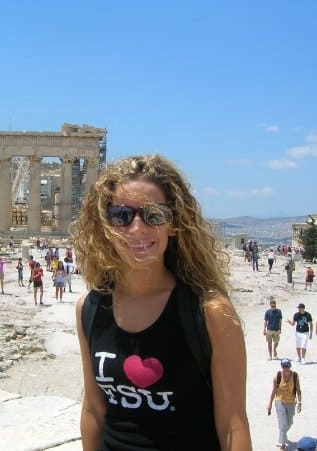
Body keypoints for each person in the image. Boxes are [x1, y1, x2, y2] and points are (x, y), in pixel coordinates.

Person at [73, 155, 251, 450]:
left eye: (154, 214)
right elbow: (94, 410)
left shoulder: (210, 313)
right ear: (105, 224)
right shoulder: (89, 310)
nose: (137, 228)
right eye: (122, 215)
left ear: (174, 224)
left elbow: (232, 425)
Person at [267, 359, 302, 450]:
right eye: (284, 366)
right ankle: (282, 445)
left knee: (289, 423)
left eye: (287, 366)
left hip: (291, 402)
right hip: (280, 401)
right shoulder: (278, 376)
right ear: (282, 367)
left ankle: (282, 436)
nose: (286, 368)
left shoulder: (295, 376)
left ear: (290, 366)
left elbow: (298, 390)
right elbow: (274, 391)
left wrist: (299, 403)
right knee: (283, 423)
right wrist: (270, 404)